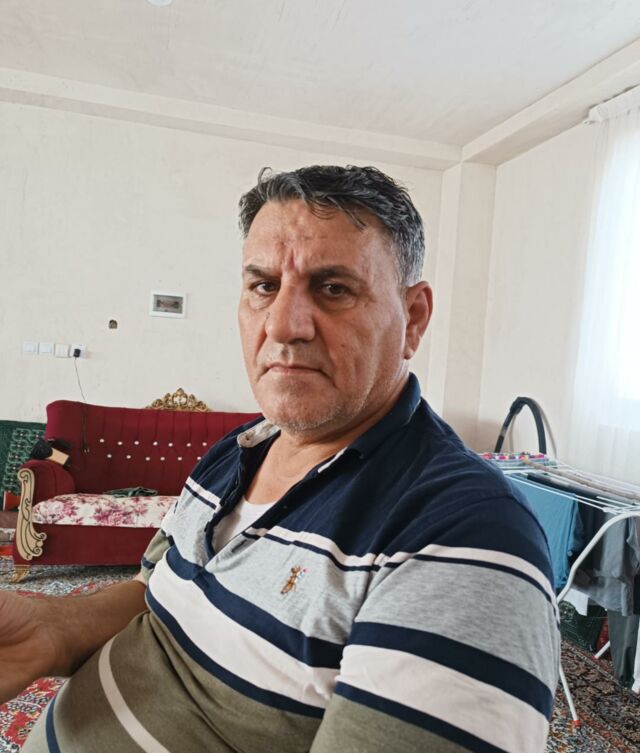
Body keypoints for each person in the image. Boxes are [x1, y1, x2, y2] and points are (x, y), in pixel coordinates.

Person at [1, 165, 559, 753]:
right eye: (264, 286)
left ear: (413, 318)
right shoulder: (238, 449)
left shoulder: (461, 531)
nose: (283, 325)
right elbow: (152, 591)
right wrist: (48, 626)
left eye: (333, 288)